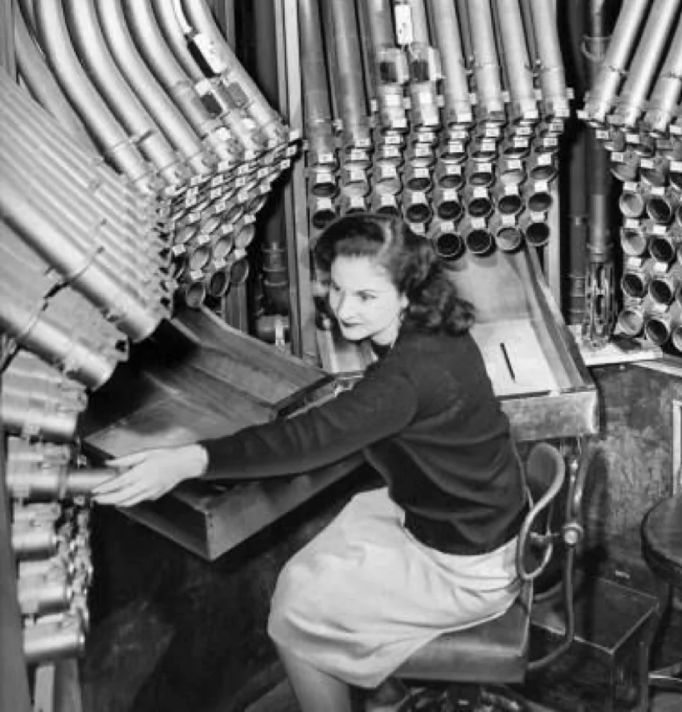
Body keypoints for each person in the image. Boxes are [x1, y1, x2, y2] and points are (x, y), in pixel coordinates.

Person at [93, 212, 528, 712]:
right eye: (336, 289)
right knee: (324, 554)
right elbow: (367, 412)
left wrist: (189, 459)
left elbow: (307, 439)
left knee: (292, 617)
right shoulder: (434, 331)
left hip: (465, 564)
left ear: (408, 293)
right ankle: (384, 696)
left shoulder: (407, 376)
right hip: (479, 523)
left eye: (366, 296)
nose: (344, 309)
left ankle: (362, 686)